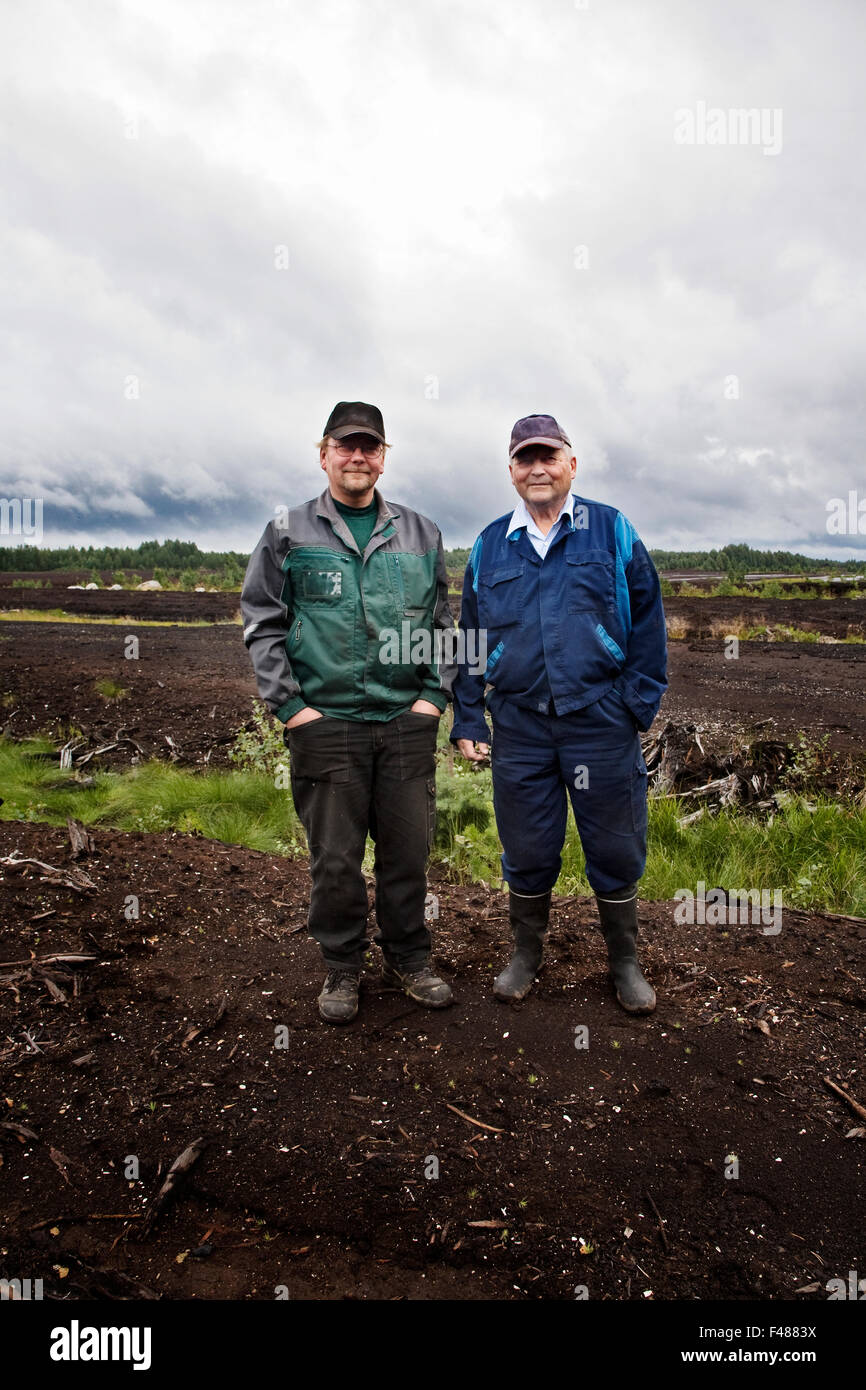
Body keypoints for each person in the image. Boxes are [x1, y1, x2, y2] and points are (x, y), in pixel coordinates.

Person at [240, 401, 456, 1023]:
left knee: (407, 853)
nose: (357, 456)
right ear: (324, 453)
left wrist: (432, 698)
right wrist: (291, 708)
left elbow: (442, 624)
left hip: (404, 723)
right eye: (345, 445)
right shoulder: (288, 530)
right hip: (325, 724)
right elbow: (262, 621)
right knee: (335, 861)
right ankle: (342, 967)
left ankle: (409, 959)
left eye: (370, 446)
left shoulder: (420, 531)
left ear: (384, 456)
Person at [451, 414, 667, 1013]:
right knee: (527, 847)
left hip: (599, 720)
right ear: (511, 471)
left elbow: (648, 621)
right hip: (519, 723)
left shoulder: (612, 530)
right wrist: (468, 717)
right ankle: (526, 954)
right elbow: (468, 635)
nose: (537, 468)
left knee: (616, 844)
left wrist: (634, 706)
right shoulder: (491, 543)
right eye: (525, 458)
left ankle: (624, 961)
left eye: (549, 456)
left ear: (572, 463)